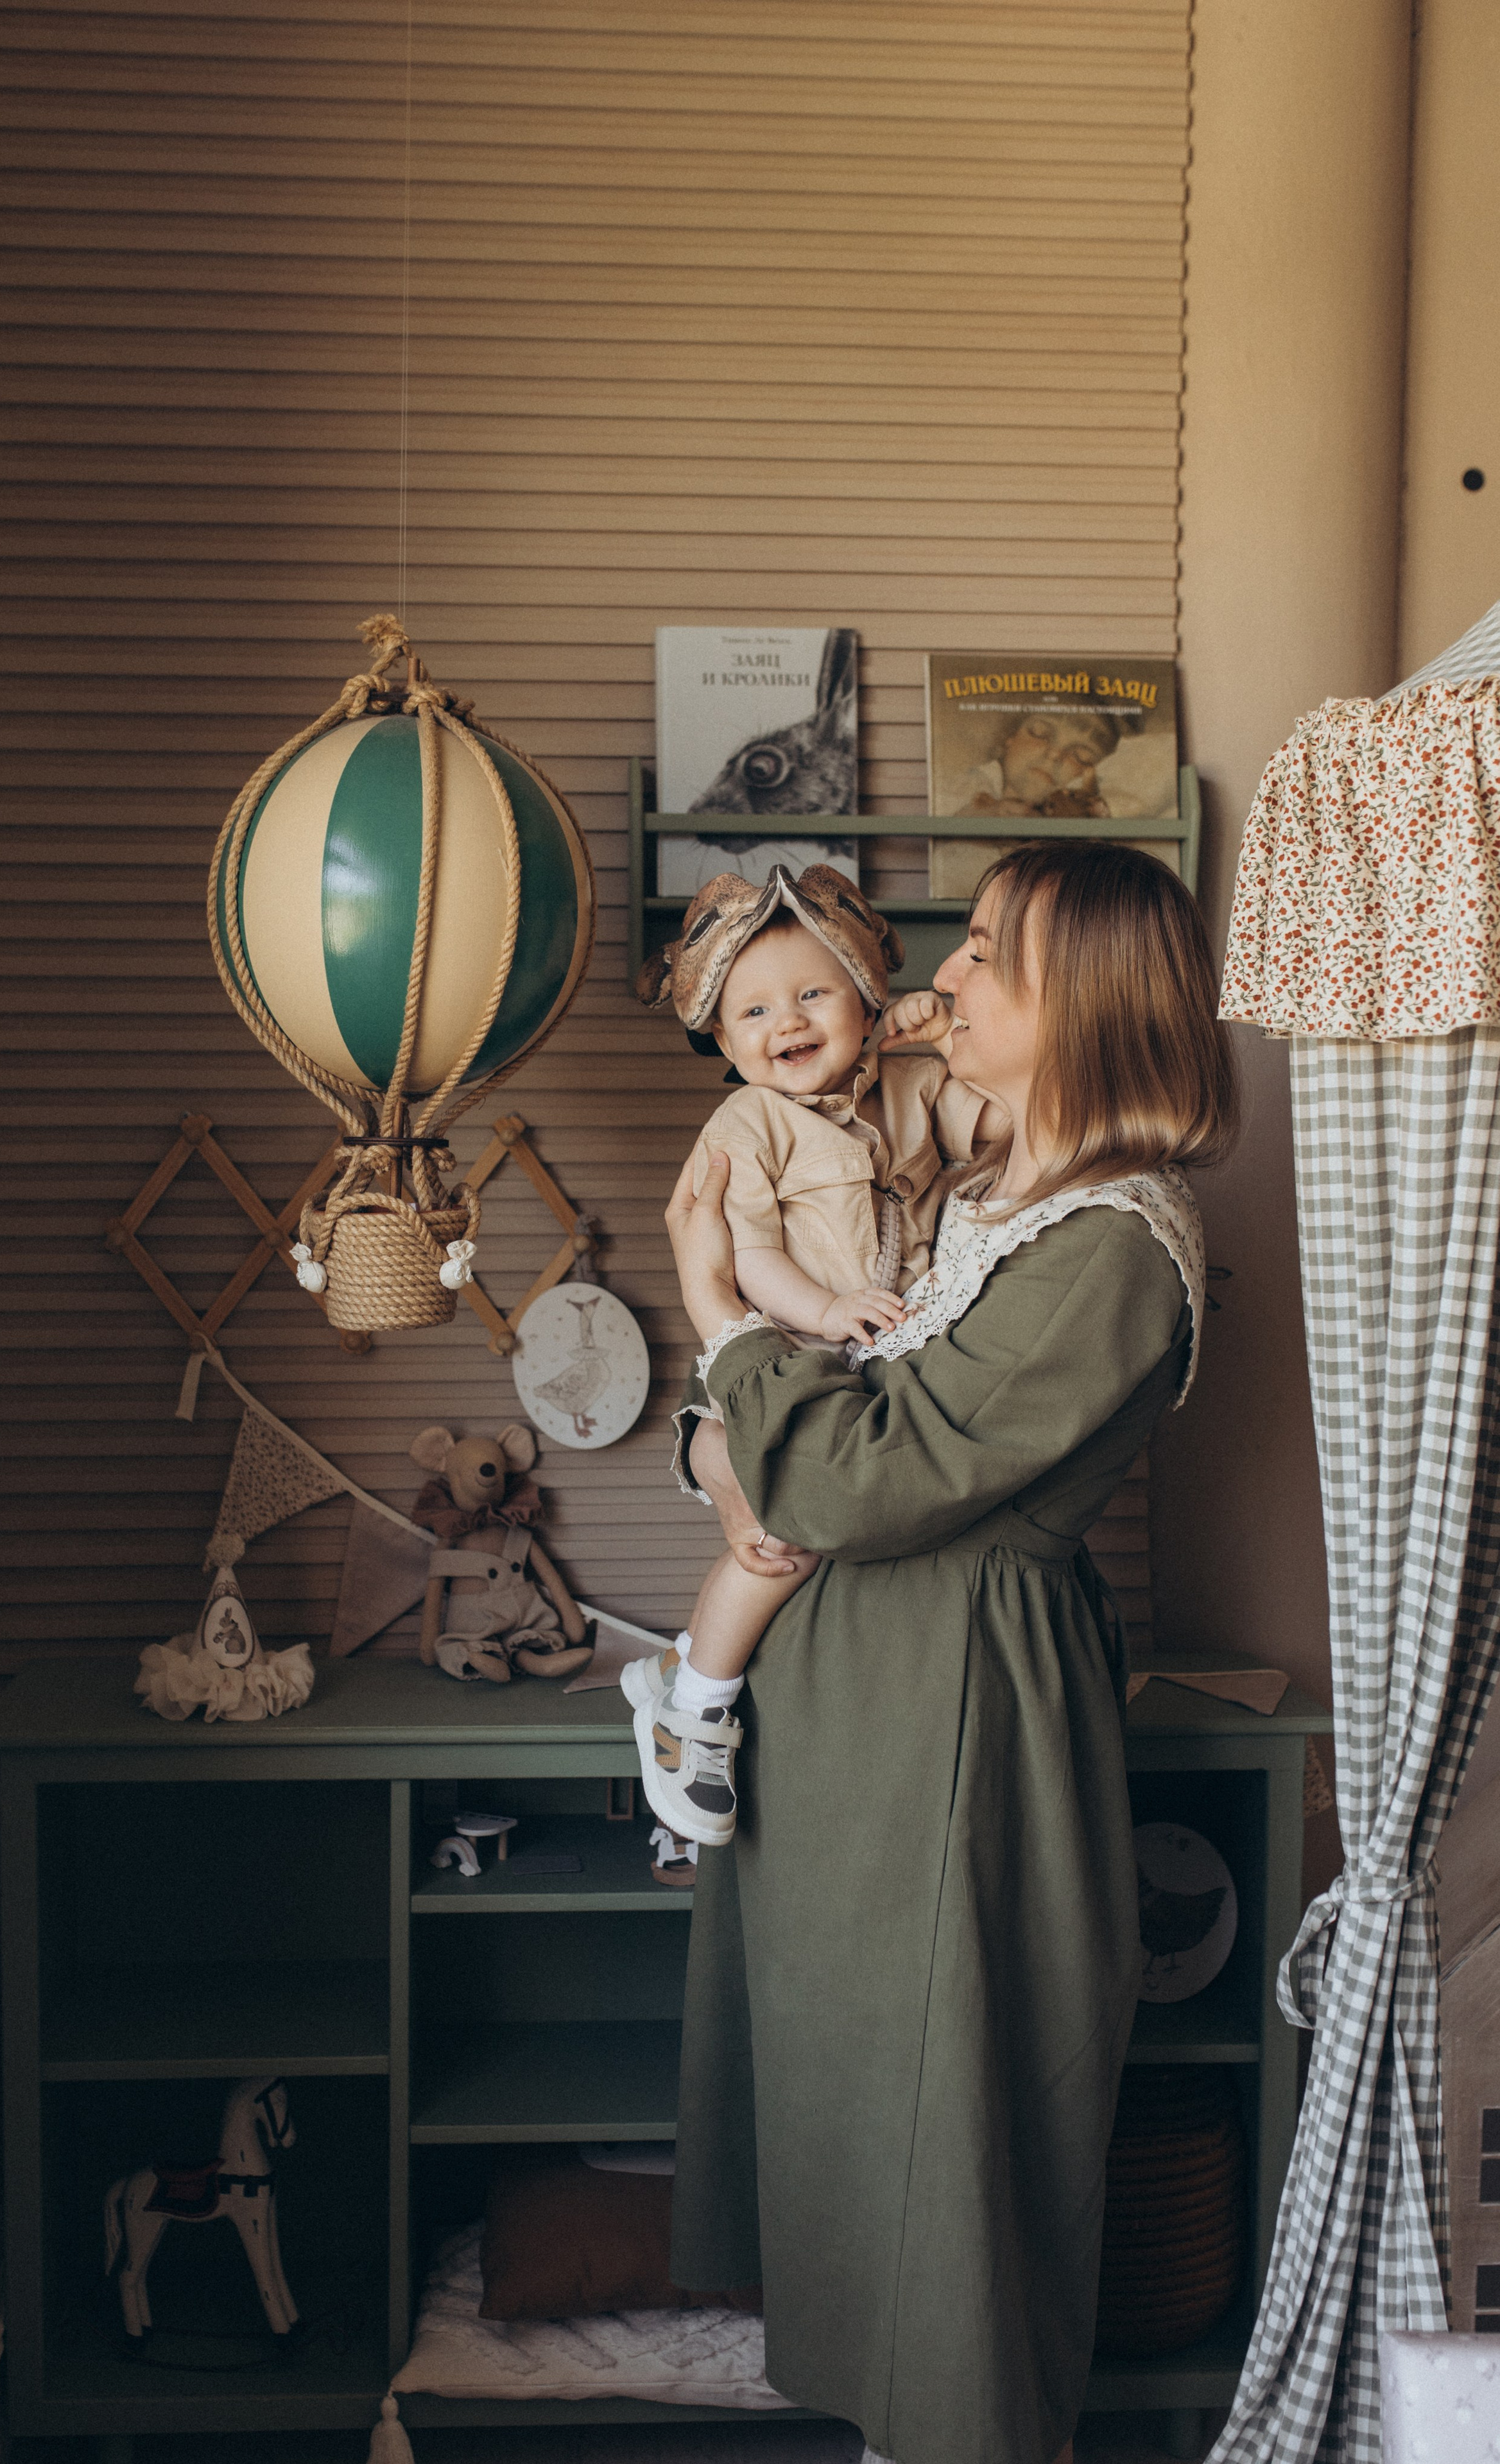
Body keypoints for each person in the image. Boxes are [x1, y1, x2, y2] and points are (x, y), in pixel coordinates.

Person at [659, 840, 1237, 2464]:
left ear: (1082, 1005)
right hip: (857, 1719)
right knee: (859, 2138)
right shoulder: (990, 1194)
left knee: (953, 2173)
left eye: (986, 952)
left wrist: (723, 1317)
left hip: (952, 1721)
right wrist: (723, 1444)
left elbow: (848, 1470)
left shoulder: (1115, 1243)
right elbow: (782, 1452)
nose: (945, 975)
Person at [626, 862, 1003, 1846]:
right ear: (720, 1036)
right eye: (751, 1011)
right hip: (782, 1360)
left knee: (834, 1545)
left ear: (867, 1000)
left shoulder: (916, 1090)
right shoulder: (744, 1126)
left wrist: (951, 1041)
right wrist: (827, 1306)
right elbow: (742, 1255)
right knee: (773, 1546)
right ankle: (695, 1713)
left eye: (811, 993)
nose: (784, 1021)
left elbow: (1004, 1128)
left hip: (881, 1366)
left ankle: (680, 1668)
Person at [942, 705, 1141, 819]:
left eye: (1080, 756)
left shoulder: (1087, 814)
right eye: (1041, 733)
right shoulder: (957, 791)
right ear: (1010, 737)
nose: (1055, 754)